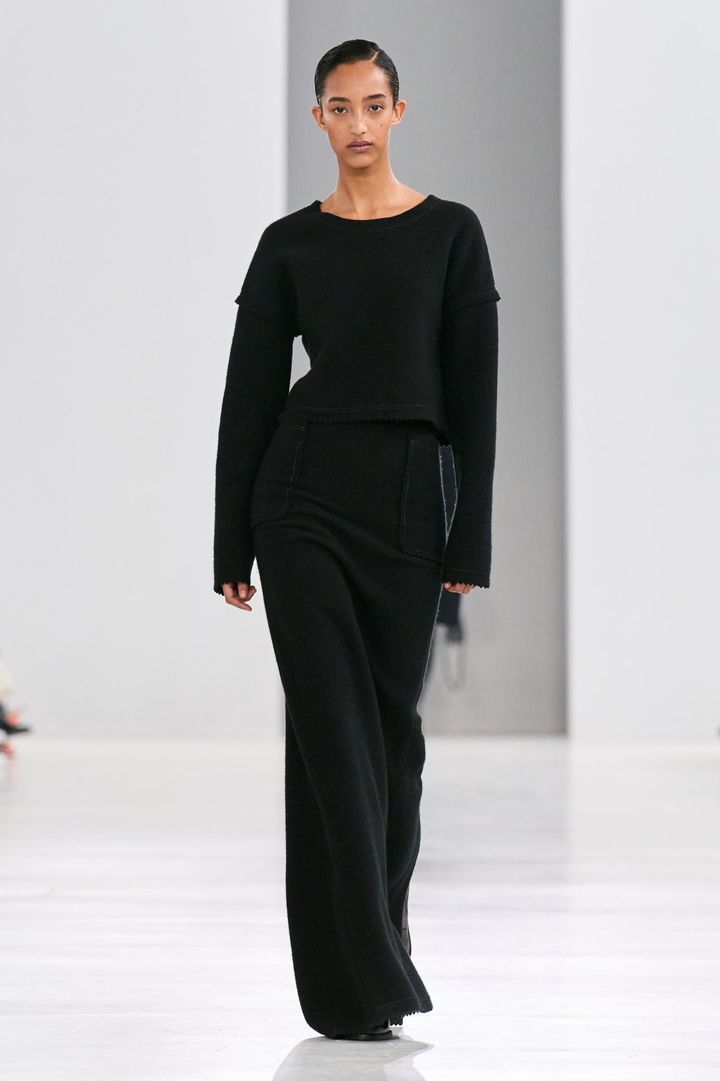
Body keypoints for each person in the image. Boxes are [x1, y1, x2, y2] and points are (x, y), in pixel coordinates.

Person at [213, 39, 501, 1041]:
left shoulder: (452, 234)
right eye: (341, 107)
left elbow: (475, 398)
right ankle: (371, 969)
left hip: (407, 507)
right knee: (331, 733)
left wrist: (471, 540)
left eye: (374, 105)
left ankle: (364, 958)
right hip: (300, 502)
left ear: (398, 112)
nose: (359, 124)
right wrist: (229, 542)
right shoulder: (289, 244)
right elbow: (250, 395)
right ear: (320, 120)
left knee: (392, 743)